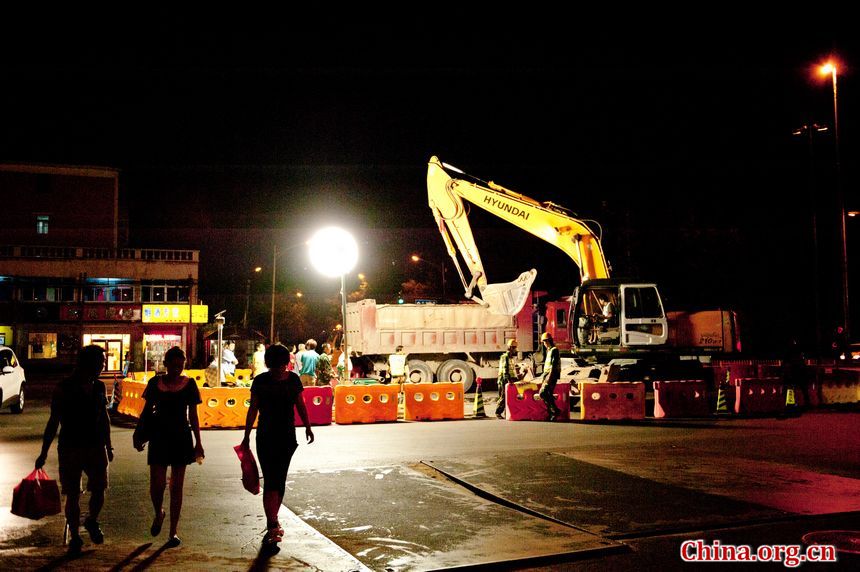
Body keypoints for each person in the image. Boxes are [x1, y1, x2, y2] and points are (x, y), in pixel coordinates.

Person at [35, 345, 112, 554]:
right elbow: (54, 421)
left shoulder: (99, 387)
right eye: (100, 363)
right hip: (71, 446)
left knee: (99, 488)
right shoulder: (64, 388)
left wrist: (108, 444)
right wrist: (44, 452)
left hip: (96, 445)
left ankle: (92, 520)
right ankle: (75, 537)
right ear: (87, 363)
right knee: (72, 493)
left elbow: (104, 417)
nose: (102, 366)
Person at [240, 344, 314, 549]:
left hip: (284, 437)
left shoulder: (287, 380)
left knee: (279, 479)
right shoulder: (264, 380)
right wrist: (246, 436)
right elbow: (253, 408)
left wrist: (308, 427)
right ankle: (272, 524)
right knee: (272, 479)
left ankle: (273, 520)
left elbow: (300, 404)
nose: (280, 368)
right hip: (270, 436)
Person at [134, 346, 204, 548]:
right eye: (173, 365)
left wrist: (198, 442)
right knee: (157, 485)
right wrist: (138, 434)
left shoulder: (190, 384)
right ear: (165, 365)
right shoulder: (155, 383)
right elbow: (146, 411)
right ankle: (159, 512)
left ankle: (173, 531)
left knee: (177, 487)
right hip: (158, 435)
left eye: (180, 365)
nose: (177, 369)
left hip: (181, 436)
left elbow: (193, 416)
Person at [495, 339, 523, 419]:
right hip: (503, 379)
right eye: (514, 348)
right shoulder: (505, 357)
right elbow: (505, 370)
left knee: (508, 396)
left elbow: (511, 370)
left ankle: (506, 413)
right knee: (503, 396)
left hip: (508, 378)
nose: (515, 350)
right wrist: (509, 380)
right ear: (510, 347)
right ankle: (498, 412)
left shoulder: (510, 358)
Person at [537, 332, 562, 421]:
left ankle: (555, 411)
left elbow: (553, 365)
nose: (544, 344)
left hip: (551, 376)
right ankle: (552, 413)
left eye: (544, 342)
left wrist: (548, 378)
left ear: (548, 341)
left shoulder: (554, 350)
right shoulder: (550, 351)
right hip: (547, 375)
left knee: (542, 393)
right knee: (547, 394)